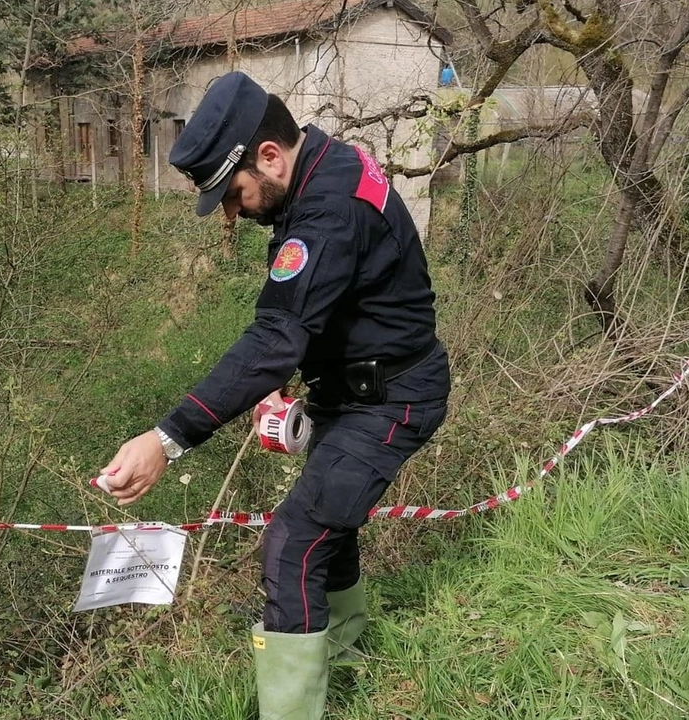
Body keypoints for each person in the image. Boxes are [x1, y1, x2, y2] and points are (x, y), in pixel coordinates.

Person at [98, 71, 450, 720]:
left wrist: (166, 439)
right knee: (328, 525)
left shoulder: (327, 209)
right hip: (352, 393)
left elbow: (276, 334)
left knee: (293, 542)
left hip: (391, 401)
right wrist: (291, 378)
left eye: (232, 195)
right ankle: (345, 657)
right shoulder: (322, 170)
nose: (232, 214)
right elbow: (328, 300)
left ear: (268, 155)